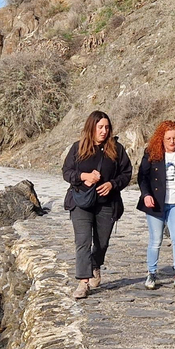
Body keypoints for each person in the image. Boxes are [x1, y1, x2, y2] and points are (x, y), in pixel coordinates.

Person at [61, 110, 132, 299]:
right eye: (100, 127)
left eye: (107, 127)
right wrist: (84, 177)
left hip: (107, 203)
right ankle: (83, 283)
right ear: (91, 128)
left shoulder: (117, 149)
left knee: (102, 243)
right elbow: (67, 172)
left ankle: (95, 265)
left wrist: (112, 184)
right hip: (81, 202)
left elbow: (126, 173)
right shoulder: (78, 148)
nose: (104, 131)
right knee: (83, 241)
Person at [137, 120, 175, 290]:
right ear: (161, 139)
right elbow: (142, 177)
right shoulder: (152, 154)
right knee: (156, 240)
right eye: (168, 138)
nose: (172, 142)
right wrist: (146, 194)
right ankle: (151, 273)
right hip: (156, 202)